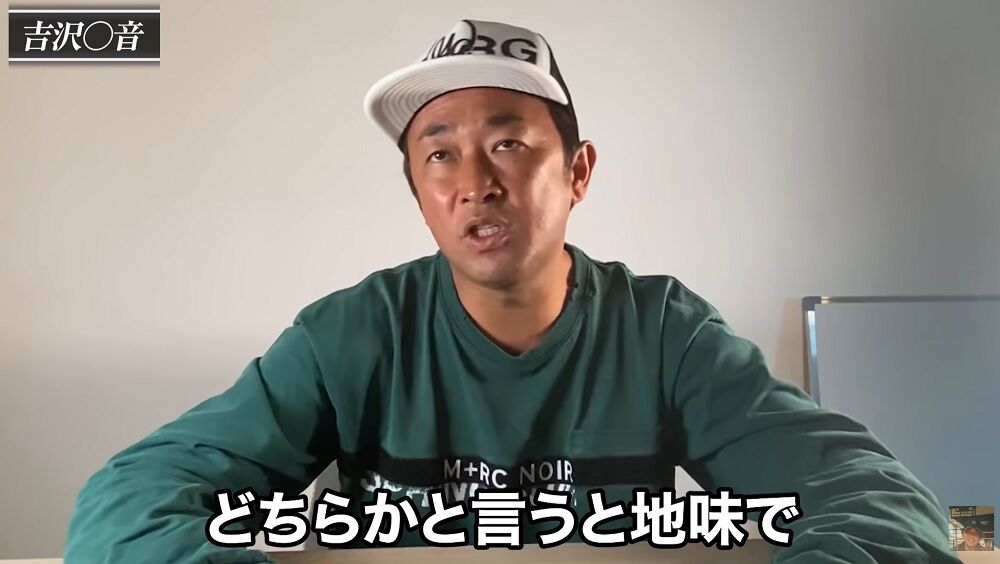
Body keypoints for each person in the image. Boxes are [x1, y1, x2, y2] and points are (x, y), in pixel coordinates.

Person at [65, 19, 959, 564]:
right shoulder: (353, 335)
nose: (474, 184)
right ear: (418, 193)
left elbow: (876, 498)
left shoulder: (664, 334)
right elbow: (130, 498)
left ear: (578, 172)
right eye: (439, 154)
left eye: (508, 143)